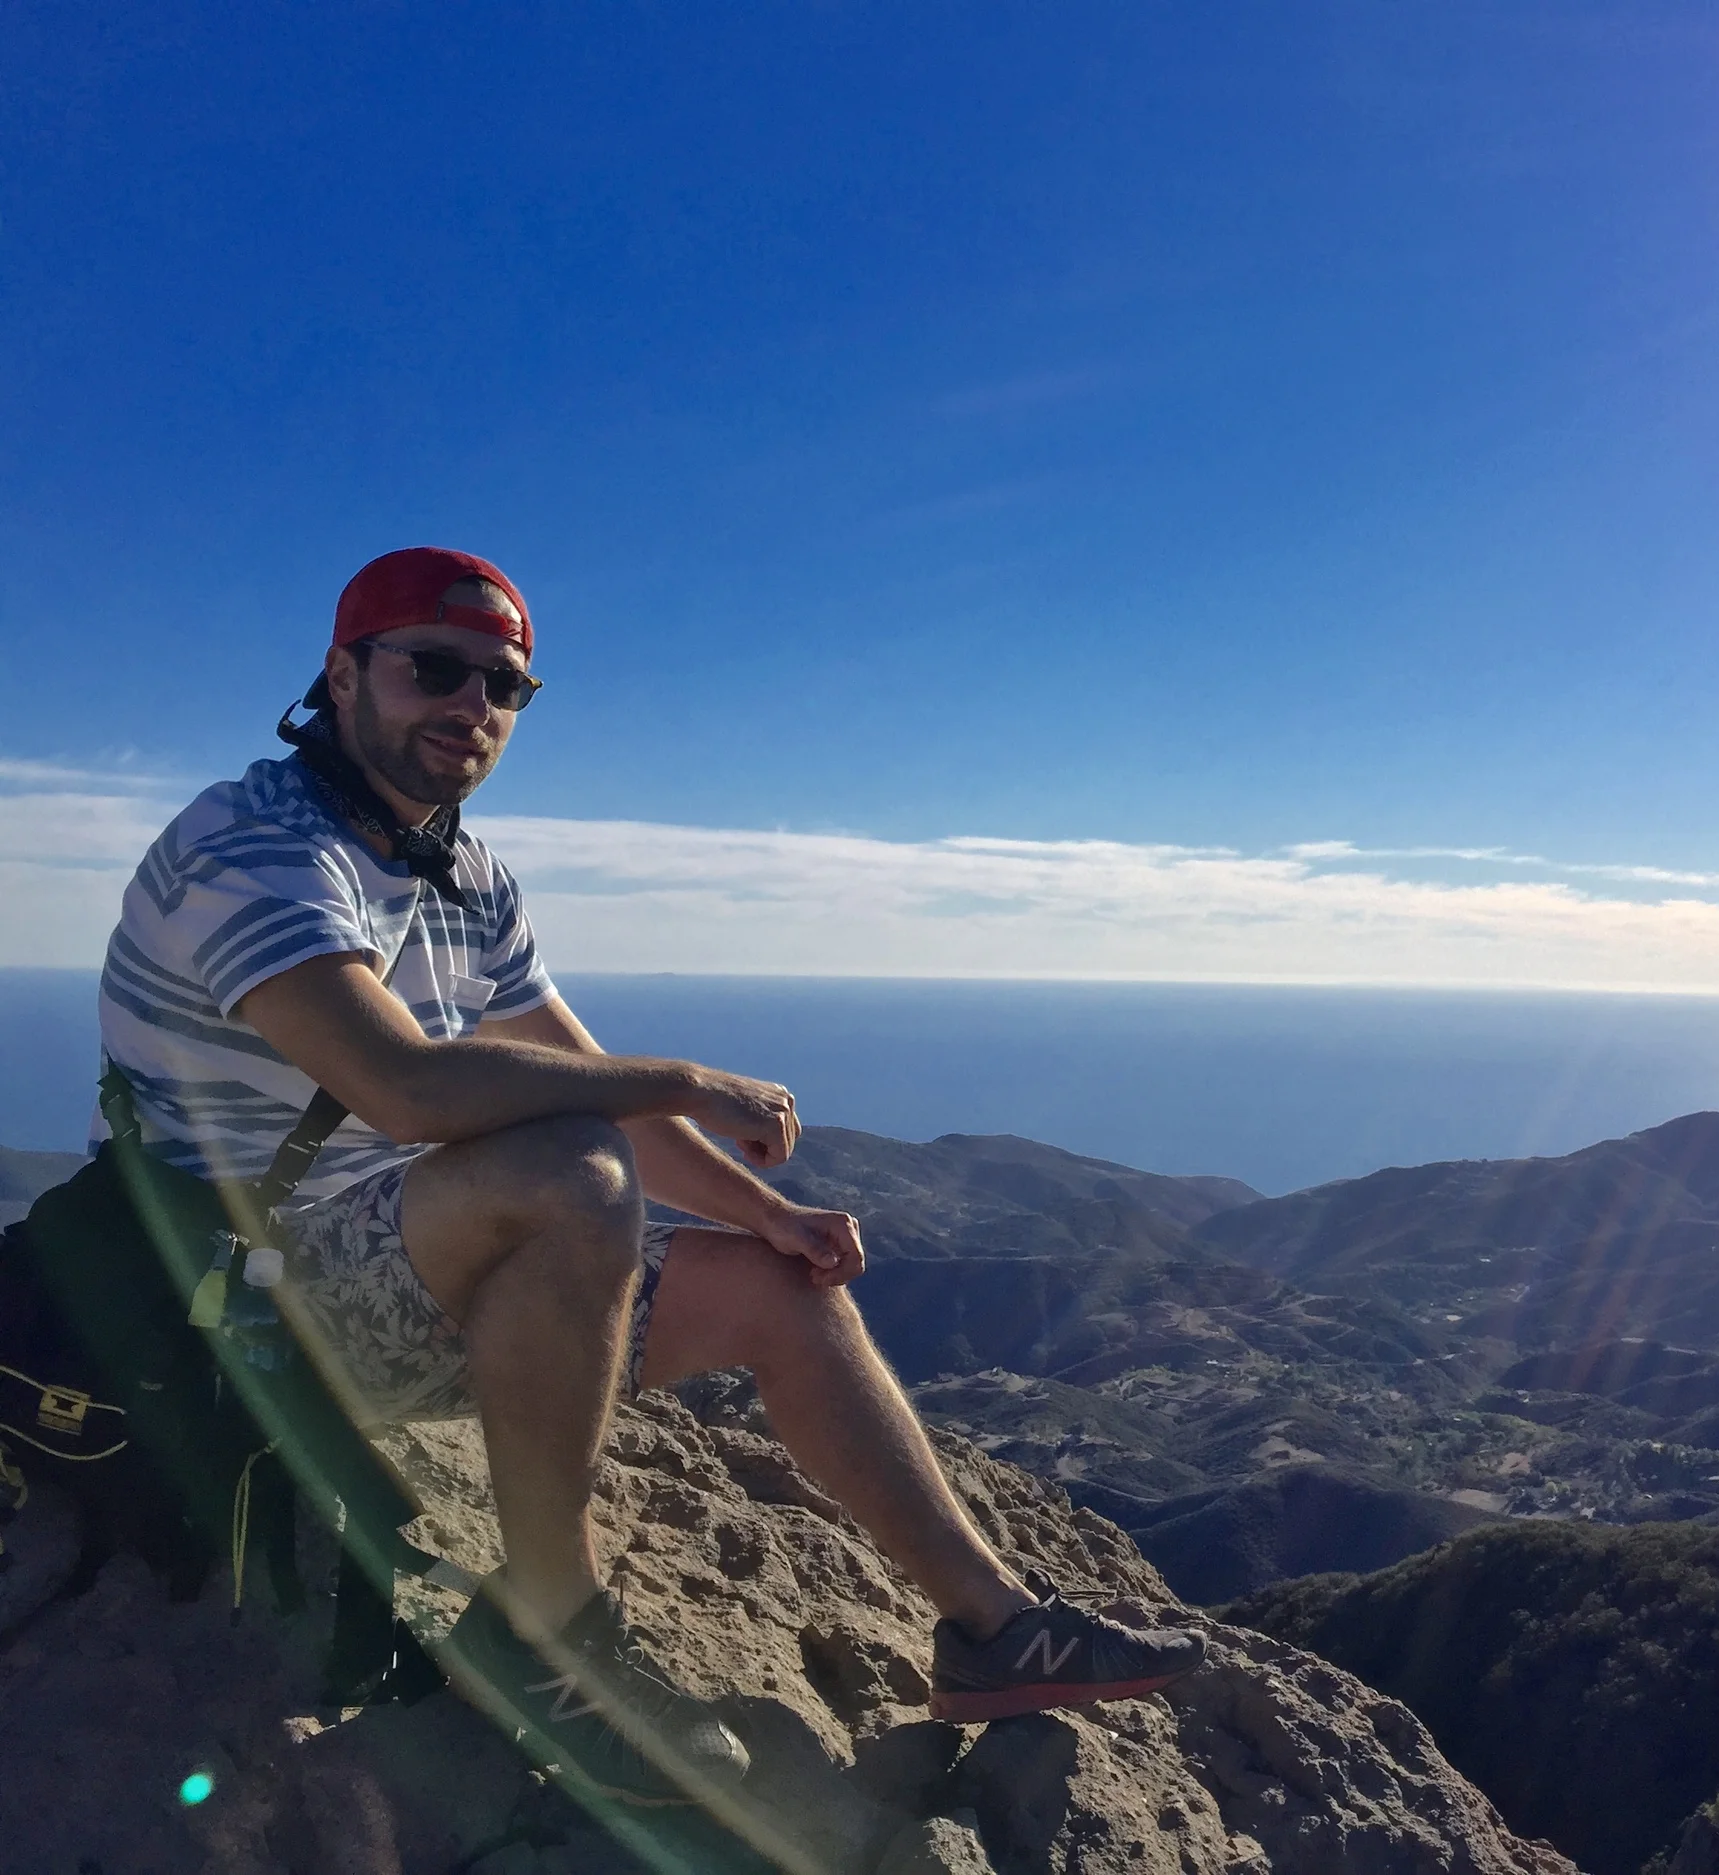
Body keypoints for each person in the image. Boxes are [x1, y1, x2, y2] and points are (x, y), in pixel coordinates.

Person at [95, 545, 1203, 1803]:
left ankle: (996, 1634)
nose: (472, 706)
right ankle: (548, 1639)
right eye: (435, 669)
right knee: (569, 1171)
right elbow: (407, 1089)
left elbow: (573, 1070)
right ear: (342, 677)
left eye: (505, 687)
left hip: (375, 1264)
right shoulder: (254, 842)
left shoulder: (463, 872)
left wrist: (771, 1216)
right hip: (226, 1297)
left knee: (781, 1291)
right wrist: (682, 1079)